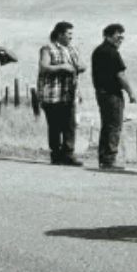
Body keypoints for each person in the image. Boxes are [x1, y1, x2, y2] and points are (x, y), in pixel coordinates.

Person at [37, 21, 86, 166]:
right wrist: (62, 67)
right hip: (52, 94)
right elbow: (44, 67)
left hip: (69, 93)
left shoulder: (72, 49)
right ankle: (56, 155)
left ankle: (68, 154)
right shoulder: (48, 48)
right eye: (68, 34)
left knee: (70, 125)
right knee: (55, 126)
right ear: (60, 34)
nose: (71, 37)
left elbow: (82, 65)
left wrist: (79, 67)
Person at [91, 24, 137, 171]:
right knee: (114, 126)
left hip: (101, 92)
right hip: (112, 93)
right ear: (108, 36)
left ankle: (104, 159)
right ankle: (109, 160)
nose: (120, 40)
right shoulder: (112, 53)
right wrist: (131, 93)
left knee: (107, 126)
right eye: (118, 37)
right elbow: (120, 75)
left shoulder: (98, 51)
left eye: (122, 37)